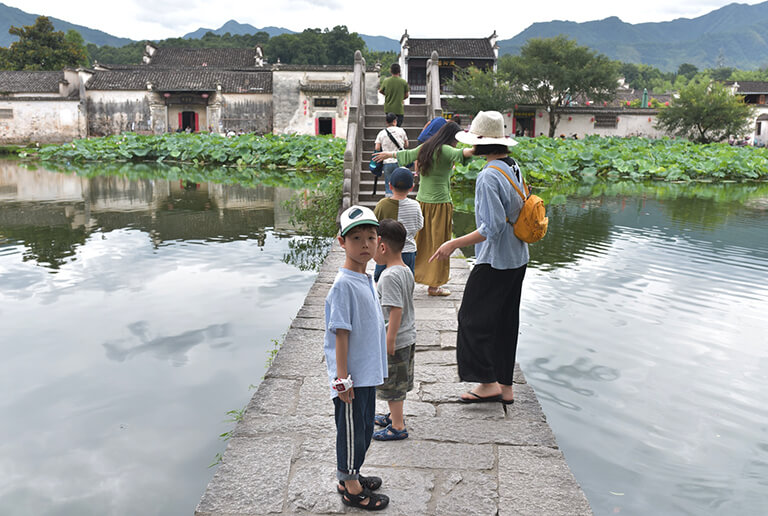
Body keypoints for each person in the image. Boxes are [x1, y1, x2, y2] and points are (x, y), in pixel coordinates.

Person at [429, 111, 528, 406]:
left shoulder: (488, 176)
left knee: (472, 319)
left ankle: (487, 383)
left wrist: (452, 243)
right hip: (518, 256)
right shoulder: (513, 166)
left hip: (495, 260)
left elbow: (492, 228)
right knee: (506, 321)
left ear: (480, 144)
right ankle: (505, 386)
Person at [324, 205, 390, 510]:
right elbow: (341, 333)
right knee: (351, 431)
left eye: (371, 237)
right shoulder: (343, 285)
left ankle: (350, 474)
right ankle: (350, 485)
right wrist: (342, 379)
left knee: (363, 428)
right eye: (356, 238)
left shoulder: (365, 278)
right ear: (341, 242)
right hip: (351, 377)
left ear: (379, 241)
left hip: (366, 372)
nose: (365, 244)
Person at [373, 122, 474, 296]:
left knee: (418, 242)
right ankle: (434, 285)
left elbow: (406, 154)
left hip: (421, 202)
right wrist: (481, 145)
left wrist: (388, 154)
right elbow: (464, 153)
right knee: (440, 243)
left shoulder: (425, 148)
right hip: (440, 204)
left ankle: (412, 274)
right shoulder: (446, 150)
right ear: (451, 137)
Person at [371, 219, 416, 441]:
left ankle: (398, 426)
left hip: (396, 339)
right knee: (399, 380)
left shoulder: (388, 276)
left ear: (382, 246)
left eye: (371, 242)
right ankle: (393, 415)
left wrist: (389, 340)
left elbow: (395, 310)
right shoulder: (405, 269)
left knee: (393, 386)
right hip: (407, 336)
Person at [373, 167, 423, 282]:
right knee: (407, 279)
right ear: (411, 188)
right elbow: (420, 225)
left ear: (390, 186)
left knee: (380, 280)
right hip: (409, 250)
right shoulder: (415, 205)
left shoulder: (382, 204)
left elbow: (374, 225)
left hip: (385, 251)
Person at [374, 113, 409, 196]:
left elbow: (377, 148)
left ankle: (389, 203)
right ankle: (400, 201)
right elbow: (406, 145)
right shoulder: (401, 131)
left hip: (387, 162)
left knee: (389, 185)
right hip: (400, 161)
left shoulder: (381, 133)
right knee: (401, 185)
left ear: (386, 122)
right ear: (394, 121)